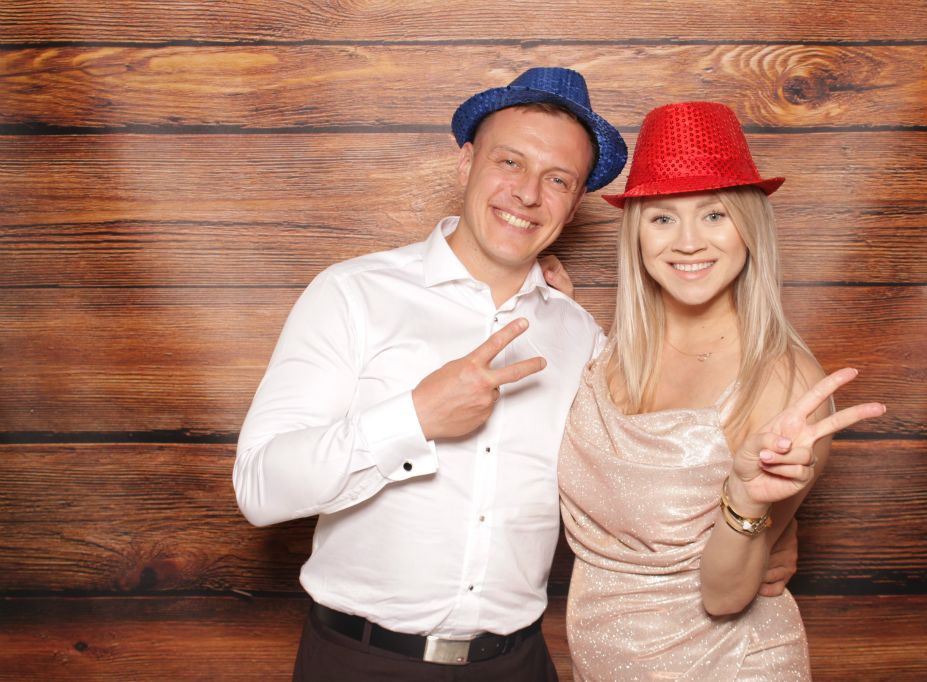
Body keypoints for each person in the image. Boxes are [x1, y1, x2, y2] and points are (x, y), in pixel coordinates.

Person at [233, 66, 627, 681]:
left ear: (574, 205)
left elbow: (623, 492)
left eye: (557, 179)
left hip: (517, 666)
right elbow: (259, 489)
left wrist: (764, 528)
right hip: (361, 663)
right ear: (465, 163)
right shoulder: (353, 294)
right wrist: (414, 416)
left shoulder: (581, 338)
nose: (527, 194)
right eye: (510, 162)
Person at [557, 102, 886, 680]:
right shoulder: (605, 352)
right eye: (662, 218)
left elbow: (726, 596)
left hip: (727, 664)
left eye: (714, 215)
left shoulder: (782, 382)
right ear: (637, 235)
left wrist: (748, 501)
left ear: (749, 226)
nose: (688, 242)